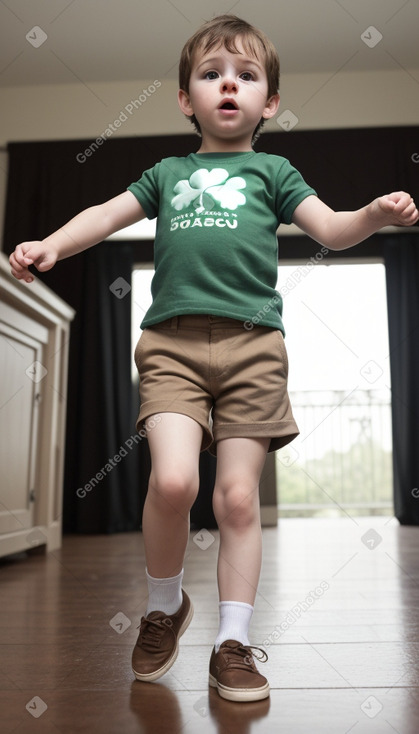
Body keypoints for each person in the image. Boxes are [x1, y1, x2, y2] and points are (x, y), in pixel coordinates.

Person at [9, 14, 418, 703]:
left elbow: (332, 228)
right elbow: (105, 215)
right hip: (171, 345)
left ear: (269, 102)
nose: (228, 84)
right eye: (210, 74)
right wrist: (51, 243)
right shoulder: (167, 173)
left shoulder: (274, 171)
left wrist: (372, 214)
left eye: (246, 76)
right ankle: (165, 606)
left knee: (235, 498)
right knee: (173, 485)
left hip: (254, 350)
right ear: (184, 98)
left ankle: (231, 642)